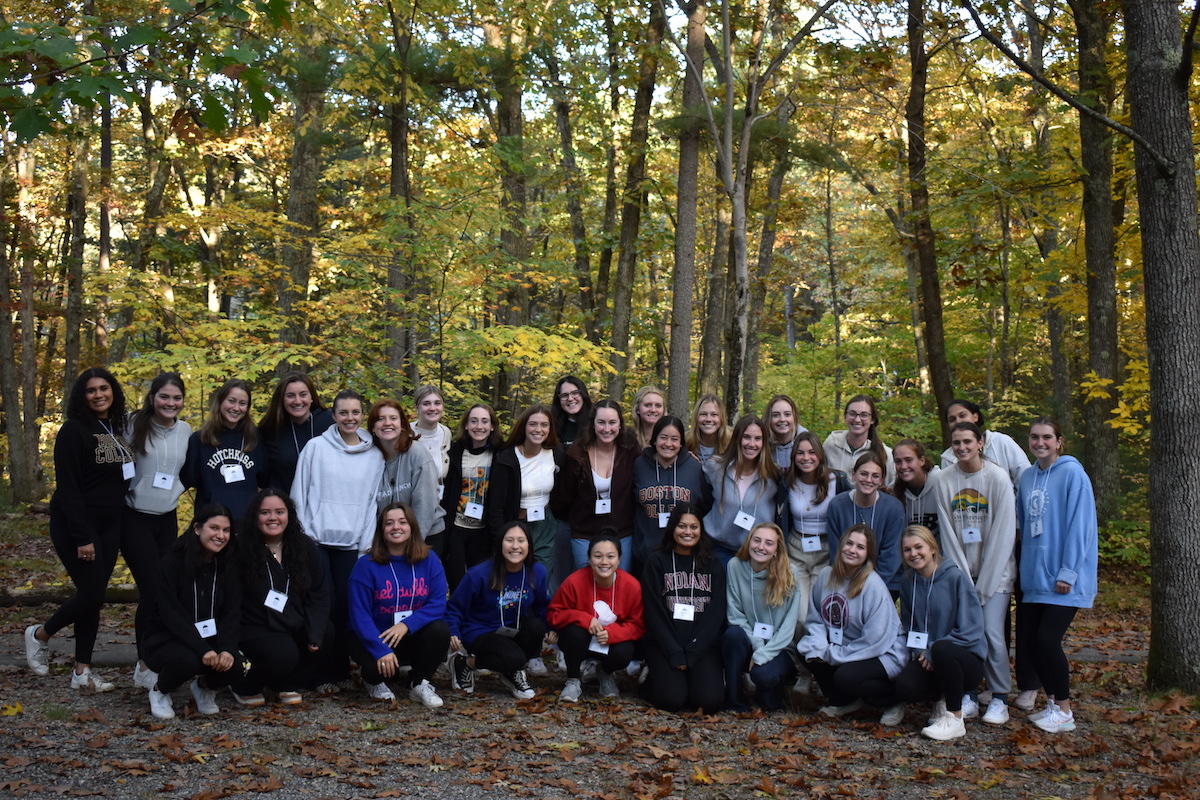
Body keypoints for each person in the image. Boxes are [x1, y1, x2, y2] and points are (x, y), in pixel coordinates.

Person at [26, 368, 132, 692]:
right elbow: (69, 488)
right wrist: (82, 536)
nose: (99, 394)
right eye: (91, 390)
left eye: (104, 388)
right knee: (92, 594)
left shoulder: (117, 428)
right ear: (81, 396)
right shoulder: (73, 431)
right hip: (78, 525)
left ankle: (82, 673)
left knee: (93, 599)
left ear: (113, 391)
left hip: (112, 522)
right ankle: (39, 634)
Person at [291, 389, 385, 689]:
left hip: (352, 545)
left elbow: (372, 503)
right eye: (343, 412)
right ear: (333, 415)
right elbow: (299, 495)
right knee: (322, 608)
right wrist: (303, 539)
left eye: (355, 412)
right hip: (316, 541)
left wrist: (365, 545)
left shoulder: (373, 455)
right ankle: (319, 674)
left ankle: (342, 672)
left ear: (362, 415)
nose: (350, 418)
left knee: (346, 607)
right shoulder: (315, 448)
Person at [1015, 417, 1098, 734]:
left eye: (1047, 437)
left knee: (1048, 641)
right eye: (1034, 437)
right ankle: (1051, 704)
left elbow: (1081, 527)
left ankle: (1064, 711)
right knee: (1034, 646)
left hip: (1064, 578)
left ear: (1059, 441)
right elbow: (1025, 530)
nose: (1040, 443)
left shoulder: (1073, 474)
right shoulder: (1026, 478)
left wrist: (1068, 571)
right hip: (1035, 579)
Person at [933, 421, 1017, 726]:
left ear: (980, 443)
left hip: (996, 574)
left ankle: (999, 697)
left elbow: (1003, 534)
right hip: (962, 575)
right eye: (956, 443)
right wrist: (963, 580)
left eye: (968, 441)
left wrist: (984, 585)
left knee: (992, 633)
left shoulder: (997, 478)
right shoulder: (944, 480)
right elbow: (948, 533)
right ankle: (967, 693)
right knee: (963, 634)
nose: (962, 448)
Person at [797, 524, 907, 724]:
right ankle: (844, 701)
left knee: (845, 677)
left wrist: (833, 655)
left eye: (860, 547)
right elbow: (816, 619)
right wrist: (820, 647)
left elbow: (875, 639)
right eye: (849, 543)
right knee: (806, 650)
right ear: (841, 545)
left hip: (882, 652)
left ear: (868, 554)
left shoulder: (873, 585)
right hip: (844, 648)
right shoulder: (825, 576)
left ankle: (892, 700)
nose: (852, 550)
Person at [123, 372, 192, 690]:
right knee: (151, 591)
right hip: (134, 517)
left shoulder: (186, 431)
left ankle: (159, 657)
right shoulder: (132, 423)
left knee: (165, 591)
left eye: (176, 398)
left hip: (167, 518)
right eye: (165, 396)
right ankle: (144, 665)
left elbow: (189, 470)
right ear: (153, 398)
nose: (170, 403)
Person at [231, 489, 331, 706]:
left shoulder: (304, 546)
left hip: (292, 618)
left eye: (279, 512)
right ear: (254, 516)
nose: (273, 518)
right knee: (283, 654)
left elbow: (319, 593)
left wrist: (315, 632)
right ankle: (244, 685)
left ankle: (285, 684)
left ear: (289, 515)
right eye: (265, 512)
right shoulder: (241, 548)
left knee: (325, 633)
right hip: (255, 624)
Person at [141, 504, 242, 719]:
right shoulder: (172, 562)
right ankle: (160, 690)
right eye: (214, 528)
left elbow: (231, 613)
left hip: (211, 639)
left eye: (226, 530)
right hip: (168, 638)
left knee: (237, 665)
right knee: (188, 660)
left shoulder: (229, 565)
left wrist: (226, 648)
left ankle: (204, 686)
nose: (220, 535)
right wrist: (201, 648)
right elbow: (171, 614)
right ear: (197, 528)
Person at [347, 502, 451, 707]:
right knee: (376, 668)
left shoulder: (429, 559)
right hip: (373, 637)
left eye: (402, 522)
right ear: (382, 530)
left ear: (412, 527)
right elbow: (360, 615)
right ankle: (373, 681)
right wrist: (380, 649)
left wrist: (406, 625)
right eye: (389, 523)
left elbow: (438, 604)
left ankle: (420, 683)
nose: (396, 527)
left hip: (407, 635)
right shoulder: (365, 565)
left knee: (439, 630)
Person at [894, 525, 986, 741]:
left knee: (943, 648)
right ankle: (940, 700)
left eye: (919, 547)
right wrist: (921, 651)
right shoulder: (908, 582)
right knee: (905, 687)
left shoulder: (955, 578)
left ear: (932, 548)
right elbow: (910, 625)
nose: (913, 554)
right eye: (907, 550)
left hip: (965, 660)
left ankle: (954, 718)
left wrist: (934, 649)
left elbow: (972, 629)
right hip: (929, 656)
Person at [446, 522, 554, 700]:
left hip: (513, 626)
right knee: (514, 658)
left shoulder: (537, 571)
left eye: (521, 541)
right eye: (509, 540)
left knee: (535, 626)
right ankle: (464, 663)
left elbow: (542, 605)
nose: (515, 546)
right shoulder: (479, 574)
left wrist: (551, 627)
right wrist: (453, 631)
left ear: (529, 545)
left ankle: (510, 671)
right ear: (500, 544)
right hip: (480, 630)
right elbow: (455, 606)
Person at [639, 504, 726, 713]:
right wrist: (674, 651)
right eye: (682, 526)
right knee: (672, 701)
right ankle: (651, 678)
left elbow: (716, 612)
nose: (688, 532)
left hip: (701, 645)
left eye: (694, 527)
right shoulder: (656, 561)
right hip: (665, 643)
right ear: (672, 528)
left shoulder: (712, 564)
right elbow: (654, 612)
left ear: (701, 530)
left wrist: (694, 650)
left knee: (709, 702)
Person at [548, 534, 645, 702]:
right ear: (589, 558)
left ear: (619, 559)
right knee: (572, 632)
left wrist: (613, 633)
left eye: (610, 556)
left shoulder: (632, 585)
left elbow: (638, 625)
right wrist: (584, 619)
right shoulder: (574, 581)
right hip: (580, 640)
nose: (604, 562)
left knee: (625, 651)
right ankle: (573, 679)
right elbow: (553, 614)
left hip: (609, 642)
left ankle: (605, 672)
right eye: (598, 556)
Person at [722, 523, 801, 712]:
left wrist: (763, 655)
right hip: (750, 640)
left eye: (769, 543)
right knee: (732, 635)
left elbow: (789, 626)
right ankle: (735, 700)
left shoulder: (790, 573)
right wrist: (757, 647)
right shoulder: (735, 566)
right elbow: (735, 615)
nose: (761, 547)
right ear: (749, 542)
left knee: (765, 680)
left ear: (776, 550)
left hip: (779, 646)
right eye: (756, 540)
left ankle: (773, 687)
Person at [780, 432, 851, 638]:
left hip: (826, 550)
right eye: (800, 453)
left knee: (822, 610)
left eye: (811, 452)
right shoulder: (786, 482)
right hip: (796, 549)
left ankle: (820, 659)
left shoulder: (837, 481)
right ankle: (800, 663)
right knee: (801, 615)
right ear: (793, 457)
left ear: (820, 455)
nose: (806, 457)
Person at [554, 400, 638, 571]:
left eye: (612, 422)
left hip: (622, 534)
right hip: (584, 534)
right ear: (592, 424)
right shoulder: (577, 453)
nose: (607, 429)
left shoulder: (630, 450)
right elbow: (564, 496)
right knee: (587, 588)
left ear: (620, 424)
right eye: (601, 422)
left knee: (618, 588)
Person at [488, 404, 565, 572]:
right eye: (533, 424)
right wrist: (500, 537)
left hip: (545, 524)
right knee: (515, 575)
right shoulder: (506, 458)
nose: (538, 429)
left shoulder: (556, 454)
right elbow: (496, 506)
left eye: (544, 425)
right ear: (524, 426)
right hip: (516, 524)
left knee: (542, 575)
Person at [632, 415, 712, 571]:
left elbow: (705, 506)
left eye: (674, 439)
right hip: (646, 554)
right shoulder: (639, 464)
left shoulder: (694, 468)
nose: (668, 444)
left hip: (684, 554)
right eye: (663, 438)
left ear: (681, 442)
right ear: (654, 439)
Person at [183, 378, 268, 521]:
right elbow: (187, 480)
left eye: (242, 403)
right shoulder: (199, 439)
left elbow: (265, 480)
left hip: (247, 524)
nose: (236, 408)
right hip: (210, 523)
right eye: (231, 401)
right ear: (220, 401)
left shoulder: (256, 438)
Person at [703, 416, 782, 564]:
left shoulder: (773, 474)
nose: (752, 444)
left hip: (760, 552)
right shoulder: (715, 468)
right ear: (737, 438)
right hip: (720, 549)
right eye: (746, 437)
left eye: (757, 439)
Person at [441, 403, 503, 591]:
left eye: (485, 421)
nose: (479, 426)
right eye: (473, 421)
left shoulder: (501, 453)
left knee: (482, 582)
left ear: (492, 426)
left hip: (484, 530)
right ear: (466, 425)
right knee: (457, 582)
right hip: (457, 527)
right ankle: (456, 618)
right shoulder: (454, 451)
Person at [825, 452, 906, 592]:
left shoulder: (894, 508)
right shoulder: (837, 505)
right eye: (863, 474)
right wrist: (849, 582)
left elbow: (891, 555)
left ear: (882, 480)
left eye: (875, 476)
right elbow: (836, 551)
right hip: (846, 580)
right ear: (853, 474)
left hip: (884, 582)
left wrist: (868, 585)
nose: (869, 480)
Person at [369, 398, 444, 548]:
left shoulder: (416, 453)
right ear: (372, 428)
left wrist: (412, 545)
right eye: (380, 419)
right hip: (388, 538)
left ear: (402, 425)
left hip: (424, 536)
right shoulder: (369, 459)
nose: (387, 423)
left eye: (393, 418)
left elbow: (425, 505)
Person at [258, 372, 333, 494]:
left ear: (311, 396)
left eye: (303, 395)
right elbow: (263, 477)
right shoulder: (269, 430)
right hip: (285, 505)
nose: (298, 401)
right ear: (281, 399)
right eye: (290, 396)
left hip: (327, 501)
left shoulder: (330, 422)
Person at [940, 399, 1031, 492]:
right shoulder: (948, 458)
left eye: (963, 415)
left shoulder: (1001, 442)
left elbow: (1025, 479)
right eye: (952, 419)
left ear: (975, 417)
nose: (958, 421)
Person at [823, 394, 895, 487]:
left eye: (864, 415)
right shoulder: (831, 444)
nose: (857, 419)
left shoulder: (885, 454)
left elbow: (891, 488)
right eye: (852, 414)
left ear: (872, 419)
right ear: (845, 416)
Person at [411, 385, 452, 502]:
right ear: (416, 407)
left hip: (438, 501)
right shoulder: (405, 433)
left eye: (437, 403)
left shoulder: (446, 433)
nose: (432, 408)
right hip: (411, 502)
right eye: (426, 404)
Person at [893, 439, 941, 538]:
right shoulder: (894, 492)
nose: (903, 466)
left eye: (909, 460)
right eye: (898, 461)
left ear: (922, 460)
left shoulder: (941, 483)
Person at [763, 394, 808, 471]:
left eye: (787, 414)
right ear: (769, 418)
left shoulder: (807, 443)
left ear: (794, 417)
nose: (782, 419)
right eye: (776, 415)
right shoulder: (761, 443)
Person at [685, 393, 732, 466]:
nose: (708, 419)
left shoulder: (732, 442)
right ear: (696, 417)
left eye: (714, 415)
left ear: (721, 418)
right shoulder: (685, 442)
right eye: (703, 414)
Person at [550, 376, 593, 447]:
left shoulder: (596, 423)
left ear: (583, 395)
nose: (570, 399)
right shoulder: (552, 427)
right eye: (564, 395)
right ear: (559, 400)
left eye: (575, 393)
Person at [631, 385, 666, 449]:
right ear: (638, 409)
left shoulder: (671, 441)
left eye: (658, 406)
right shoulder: (627, 440)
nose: (653, 410)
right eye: (647, 405)